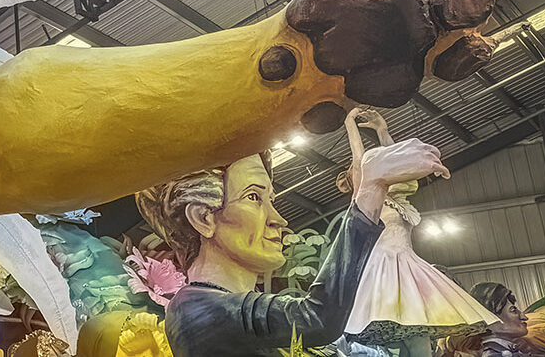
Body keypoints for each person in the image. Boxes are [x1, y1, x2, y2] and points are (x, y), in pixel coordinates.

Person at [136, 133, 449, 357]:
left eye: (270, 200)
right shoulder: (197, 308)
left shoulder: (225, 305)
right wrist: (369, 189)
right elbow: (317, 319)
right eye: (253, 197)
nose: (279, 220)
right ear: (204, 218)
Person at [340, 108, 496, 356]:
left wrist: (383, 131)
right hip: (383, 269)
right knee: (413, 341)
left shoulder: (398, 201)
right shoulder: (366, 198)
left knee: (415, 339)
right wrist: (350, 123)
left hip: (408, 267)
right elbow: (360, 161)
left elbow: (395, 160)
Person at [440, 283, 532, 357]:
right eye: (513, 311)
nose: (524, 317)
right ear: (491, 318)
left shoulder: (512, 348)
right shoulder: (494, 352)